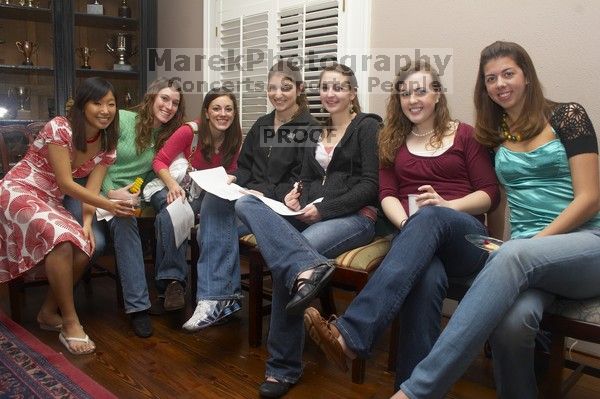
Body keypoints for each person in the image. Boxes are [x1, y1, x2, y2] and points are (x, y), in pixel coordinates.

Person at [391, 41, 600, 399]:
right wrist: (497, 243)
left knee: (514, 255)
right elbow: (496, 200)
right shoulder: (494, 135)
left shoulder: (568, 116)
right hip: (523, 254)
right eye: (491, 78)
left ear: (527, 76)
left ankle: (416, 392)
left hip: (583, 247)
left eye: (508, 73)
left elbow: (590, 197)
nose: (500, 83)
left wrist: (529, 246)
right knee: (511, 325)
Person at [304, 60, 500, 390]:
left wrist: (446, 207)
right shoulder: (393, 141)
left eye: (421, 91)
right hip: (416, 237)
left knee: (432, 216)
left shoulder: (464, 135)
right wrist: (412, 225)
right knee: (426, 277)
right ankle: (413, 390)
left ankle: (350, 335)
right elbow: (387, 194)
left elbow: (490, 194)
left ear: (437, 94)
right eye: (405, 93)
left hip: (466, 238)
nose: (412, 100)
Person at [234, 63, 382, 398]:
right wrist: (295, 195)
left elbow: (371, 186)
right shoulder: (317, 132)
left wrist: (323, 209)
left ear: (353, 93)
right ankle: (307, 269)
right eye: (325, 87)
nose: (331, 94)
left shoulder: (367, 127)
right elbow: (308, 178)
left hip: (356, 218)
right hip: (311, 210)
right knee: (246, 205)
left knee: (297, 255)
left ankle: (282, 369)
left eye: (339, 87)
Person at [181, 59, 319, 331]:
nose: (277, 94)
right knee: (214, 203)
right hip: (250, 200)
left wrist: (262, 192)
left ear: (300, 89)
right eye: (272, 88)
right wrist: (234, 178)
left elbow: (304, 180)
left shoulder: (310, 128)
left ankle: (219, 298)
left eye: (286, 88)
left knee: (210, 228)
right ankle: (219, 299)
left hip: (283, 209)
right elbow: (244, 167)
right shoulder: (262, 124)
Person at [0, 77, 133, 355]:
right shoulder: (60, 127)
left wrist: (86, 224)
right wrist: (109, 206)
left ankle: (48, 312)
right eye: (98, 103)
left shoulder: (107, 144)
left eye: (111, 104)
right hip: (20, 189)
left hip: (50, 199)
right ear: (83, 105)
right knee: (61, 240)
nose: (105, 110)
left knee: (85, 247)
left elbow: (91, 190)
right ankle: (71, 323)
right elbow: (67, 184)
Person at [63, 77, 185, 338]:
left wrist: (134, 191)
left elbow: (151, 173)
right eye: (165, 98)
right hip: (92, 188)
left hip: (125, 198)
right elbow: (101, 159)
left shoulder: (168, 137)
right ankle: (61, 299)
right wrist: (109, 192)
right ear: (152, 96)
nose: (169, 106)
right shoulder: (124, 119)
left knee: (126, 220)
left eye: (175, 103)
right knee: (96, 243)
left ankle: (138, 308)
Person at [149, 87, 242, 318]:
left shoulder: (234, 137)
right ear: (207, 112)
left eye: (228, 109)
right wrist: (172, 185)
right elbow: (159, 161)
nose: (223, 114)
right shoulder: (189, 131)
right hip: (168, 185)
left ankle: (171, 283)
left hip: (201, 192)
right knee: (172, 210)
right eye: (217, 108)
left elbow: (233, 170)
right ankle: (174, 282)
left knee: (171, 215)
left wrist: (230, 178)